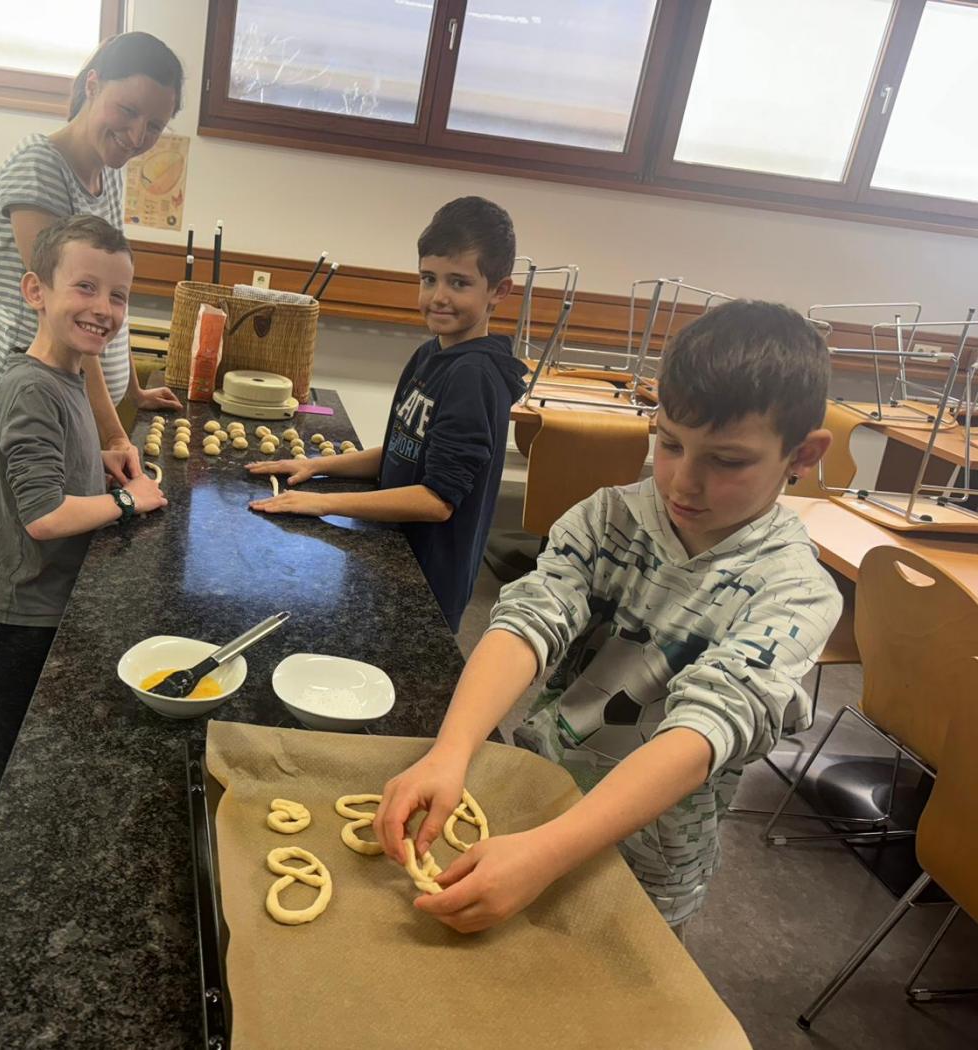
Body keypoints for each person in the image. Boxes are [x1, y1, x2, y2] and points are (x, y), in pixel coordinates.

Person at [373, 300, 843, 932]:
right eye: (670, 444)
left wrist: (548, 854)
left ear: (803, 455)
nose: (684, 483)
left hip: (647, 864)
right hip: (531, 802)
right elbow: (528, 623)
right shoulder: (608, 518)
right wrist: (450, 754)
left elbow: (706, 729)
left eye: (726, 461)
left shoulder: (795, 592)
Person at [0, 32, 185, 751]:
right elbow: (68, 319)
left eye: (156, 125)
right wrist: (110, 429)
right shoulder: (38, 170)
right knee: (9, 583)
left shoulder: (104, 170)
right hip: (14, 401)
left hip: (83, 406)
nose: (138, 135)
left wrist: (126, 410)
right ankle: (4, 725)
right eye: (128, 111)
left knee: (37, 576)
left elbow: (101, 304)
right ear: (90, 85)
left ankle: (23, 716)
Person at [0, 216, 166, 889]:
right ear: (36, 291)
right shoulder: (30, 388)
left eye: (119, 296)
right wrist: (134, 501)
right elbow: (44, 515)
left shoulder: (68, 375)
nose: (103, 309)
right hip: (31, 616)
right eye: (85, 287)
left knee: (31, 746)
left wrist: (103, 462)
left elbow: (57, 476)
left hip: (53, 603)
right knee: (16, 752)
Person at [247, 197, 528, 631]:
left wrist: (322, 504)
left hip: (427, 583)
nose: (438, 297)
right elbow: (404, 450)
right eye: (428, 278)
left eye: (459, 282)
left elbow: (436, 501)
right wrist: (317, 465)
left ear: (499, 291)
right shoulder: (429, 355)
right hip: (391, 557)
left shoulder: (475, 376)